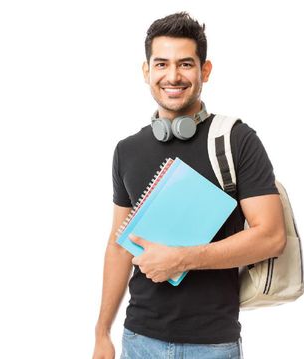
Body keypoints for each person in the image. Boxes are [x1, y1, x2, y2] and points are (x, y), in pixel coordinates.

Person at [93, 12, 286, 359]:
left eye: (185, 64)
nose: (173, 76)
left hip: (213, 345)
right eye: (161, 64)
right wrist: (101, 332)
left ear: (205, 71)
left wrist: (181, 259)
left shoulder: (237, 140)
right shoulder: (127, 150)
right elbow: (119, 246)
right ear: (146, 71)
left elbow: (271, 237)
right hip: (137, 340)